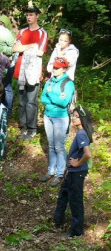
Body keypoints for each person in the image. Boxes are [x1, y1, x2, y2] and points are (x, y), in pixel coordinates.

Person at [53, 105, 93, 237]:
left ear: (83, 118)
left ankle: (76, 231)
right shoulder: (80, 132)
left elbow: (87, 154)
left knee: (75, 200)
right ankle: (57, 220)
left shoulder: (81, 134)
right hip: (72, 172)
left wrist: (76, 163)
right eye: (73, 116)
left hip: (78, 172)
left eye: (77, 116)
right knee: (64, 193)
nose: (74, 118)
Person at [13, 4, 48, 140]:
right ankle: (23, 127)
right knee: (21, 101)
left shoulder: (42, 33)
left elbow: (40, 51)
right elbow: (15, 48)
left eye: (31, 14)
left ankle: (32, 128)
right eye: (27, 15)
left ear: (37, 16)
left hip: (33, 72)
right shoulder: (22, 32)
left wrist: (23, 48)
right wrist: (30, 46)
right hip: (20, 71)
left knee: (31, 102)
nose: (29, 17)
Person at [40, 57, 75, 187]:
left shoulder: (68, 83)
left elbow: (64, 102)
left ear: (64, 69)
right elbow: (43, 98)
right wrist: (53, 98)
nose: (54, 69)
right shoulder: (49, 81)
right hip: (48, 116)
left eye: (57, 67)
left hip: (60, 118)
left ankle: (59, 173)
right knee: (51, 145)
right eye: (53, 67)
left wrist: (51, 96)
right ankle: (51, 170)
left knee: (59, 146)